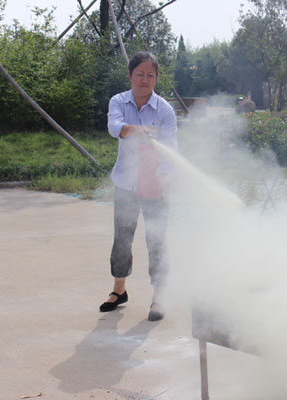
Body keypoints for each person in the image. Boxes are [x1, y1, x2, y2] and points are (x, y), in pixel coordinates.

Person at [100, 51, 178, 321]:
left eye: (151, 75)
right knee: (122, 239)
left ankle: (159, 298)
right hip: (126, 183)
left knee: (157, 241)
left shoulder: (164, 110)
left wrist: (165, 179)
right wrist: (135, 130)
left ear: (156, 78)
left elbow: (171, 150)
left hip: (156, 186)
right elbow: (114, 127)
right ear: (130, 76)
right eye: (140, 74)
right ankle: (119, 290)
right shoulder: (118, 102)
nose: (145, 80)